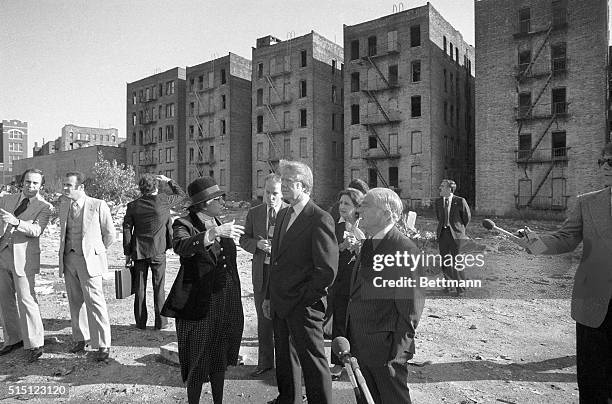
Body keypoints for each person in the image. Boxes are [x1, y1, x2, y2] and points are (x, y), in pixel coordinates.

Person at [517, 142, 612, 403]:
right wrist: (535, 244)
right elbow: (567, 237)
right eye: (602, 161)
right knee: (593, 382)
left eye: (610, 162)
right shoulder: (588, 202)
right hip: (594, 302)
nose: (604, 167)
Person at [161, 176, 245, 404]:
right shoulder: (184, 223)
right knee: (198, 358)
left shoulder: (218, 221)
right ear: (206, 203)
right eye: (219, 198)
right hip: (198, 303)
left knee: (219, 355)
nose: (223, 202)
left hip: (223, 299)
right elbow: (181, 247)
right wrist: (214, 234)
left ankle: (218, 400)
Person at [264, 160, 338, 404]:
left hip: (304, 306)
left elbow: (326, 271)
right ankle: (289, 399)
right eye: (281, 181)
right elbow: (275, 261)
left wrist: (303, 299)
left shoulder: (320, 218)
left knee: (313, 362)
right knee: (284, 358)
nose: (282, 186)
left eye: (288, 182)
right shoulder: (284, 214)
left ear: (304, 186)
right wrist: (268, 297)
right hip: (280, 302)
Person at [347, 187, 425, 404]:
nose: (359, 210)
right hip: (362, 343)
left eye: (366, 205)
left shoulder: (404, 250)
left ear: (387, 213)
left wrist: (398, 355)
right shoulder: (369, 243)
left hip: (385, 350)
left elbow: (411, 308)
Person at [58, 171, 115, 361]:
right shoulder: (64, 205)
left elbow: (110, 235)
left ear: (81, 187)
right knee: (75, 302)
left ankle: (103, 344)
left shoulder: (98, 205)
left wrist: (95, 252)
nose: (65, 188)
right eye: (64, 185)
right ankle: (80, 338)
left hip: (89, 261)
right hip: (69, 260)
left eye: (69, 185)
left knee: (95, 302)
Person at [0, 169, 52, 362]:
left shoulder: (44, 206)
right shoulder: (7, 199)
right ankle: (13, 339)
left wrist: (16, 222)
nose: (31, 186)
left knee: (27, 300)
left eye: (35, 183)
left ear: (41, 186)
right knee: (4, 300)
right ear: (22, 182)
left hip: (24, 258)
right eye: (28, 182)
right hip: (3, 254)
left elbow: (37, 230)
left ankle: (35, 343)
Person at [239, 173, 288, 377]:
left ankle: (285, 365)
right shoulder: (255, 213)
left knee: (283, 320)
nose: (270, 197)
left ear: (282, 193)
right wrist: (257, 245)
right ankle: (265, 362)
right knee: (263, 320)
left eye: (275, 193)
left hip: (283, 274)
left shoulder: (290, 212)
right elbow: (243, 239)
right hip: (262, 272)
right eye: (267, 193)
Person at [123, 173, 185, 330]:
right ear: (156, 187)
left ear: (140, 189)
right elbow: (181, 195)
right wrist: (169, 181)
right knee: (159, 286)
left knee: (140, 288)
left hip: (139, 252)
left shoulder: (133, 206)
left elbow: (127, 229)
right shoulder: (163, 200)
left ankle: (140, 323)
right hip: (158, 250)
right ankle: (161, 322)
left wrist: (127, 253)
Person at [327, 187, 364, 378]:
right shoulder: (335, 226)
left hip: (360, 283)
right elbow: (327, 253)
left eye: (347, 203)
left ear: (357, 207)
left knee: (358, 321)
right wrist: (341, 247)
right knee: (340, 321)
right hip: (340, 282)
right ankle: (338, 363)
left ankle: (359, 362)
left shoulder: (365, 226)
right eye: (340, 203)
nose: (342, 206)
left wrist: (360, 248)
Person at [434, 179, 471, 296]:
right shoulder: (438, 202)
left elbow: (466, 217)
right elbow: (439, 217)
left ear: (450, 189)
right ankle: (448, 286)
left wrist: (459, 230)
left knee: (457, 261)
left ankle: (461, 289)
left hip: (456, 235)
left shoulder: (460, 201)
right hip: (443, 234)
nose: (440, 188)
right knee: (445, 261)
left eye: (442, 186)